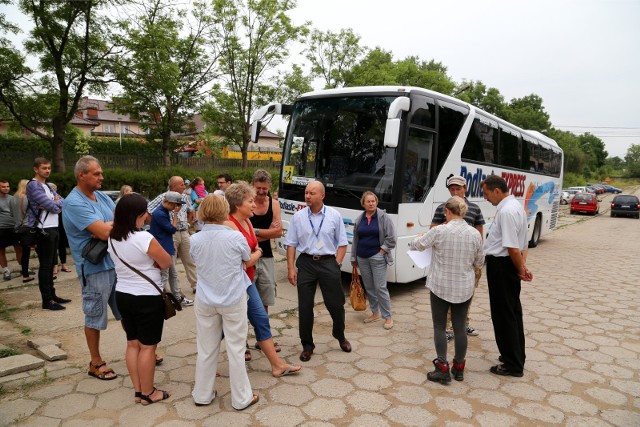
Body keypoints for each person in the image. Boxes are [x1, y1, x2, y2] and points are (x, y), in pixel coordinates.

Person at [190, 194, 259, 410]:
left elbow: (195, 261)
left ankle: (202, 394)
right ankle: (241, 398)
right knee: (236, 348)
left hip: (205, 299)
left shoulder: (195, 239)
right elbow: (246, 258)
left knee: (206, 348)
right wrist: (259, 252)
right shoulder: (235, 237)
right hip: (232, 298)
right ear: (224, 211)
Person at [225, 183, 301, 375]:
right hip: (234, 285)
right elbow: (245, 261)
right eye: (249, 201)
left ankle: (276, 365)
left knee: (260, 319)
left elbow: (263, 242)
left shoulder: (248, 222)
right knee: (230, 326)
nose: (254, 205)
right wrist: (258, 252)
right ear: (237, 204)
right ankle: (226, 367)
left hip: (246, 282)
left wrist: (254, 252)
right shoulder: (228, 225)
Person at [410, 196, 484, 383]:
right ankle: (459, 368)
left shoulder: (439, 231)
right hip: (464, 287)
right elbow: (480, 262)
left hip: (440, 286)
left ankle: (442, 367)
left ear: (448, 212)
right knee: (460, 327)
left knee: (439, 326)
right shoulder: (475, 234)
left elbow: (417, 246)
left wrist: (417, 238)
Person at [108, 193, 173, 405]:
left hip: (123, 295)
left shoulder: (112, 237)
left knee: (132, 344)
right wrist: (153, 263)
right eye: (145, 211)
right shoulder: (144, 238)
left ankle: (138, 391)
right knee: (148, 347)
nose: (147, 214)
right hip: (146, 297)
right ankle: (149, 392)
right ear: (137, 214)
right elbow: (166, 262)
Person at [63, 155, 122, 380]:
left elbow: (120, 221)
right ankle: (95, 362)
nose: (101, 177)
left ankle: (139, 349)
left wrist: (104, 226)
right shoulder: (74, 202)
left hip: (116, 264)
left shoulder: (101, 197)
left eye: (100, 172)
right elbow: (105, 232)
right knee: (94, 315)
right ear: (82, 175)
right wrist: (105, 227)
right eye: (96, 173)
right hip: (94, 268)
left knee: (126, 311)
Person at [284, 180, 351, 362]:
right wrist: (290, 268)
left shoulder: (334, 215)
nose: (307, 196)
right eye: (306, 193)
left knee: (336, 304)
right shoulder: (298, 217)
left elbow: (342, 243)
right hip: (306, 263)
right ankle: (307, 345)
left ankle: (340, 334)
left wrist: (336, 264)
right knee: (305, 306)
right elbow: (290, 244)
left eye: (312, 193)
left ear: (322, 195)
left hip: (328, 262)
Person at [481, 175, 533, 378]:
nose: (485, 198)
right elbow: (524, 243)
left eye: (486, 194)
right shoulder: (514, 207)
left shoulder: (507, 211)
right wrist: (522, 266)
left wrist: (520, 269)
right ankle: (515, 355)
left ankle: (512, 364)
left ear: (496, 191)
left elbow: (512, 247)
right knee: (512, 312)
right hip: (506, 266)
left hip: (502, 267)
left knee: (504, 316)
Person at [430, 174, 485, 340]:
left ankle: (463, 324)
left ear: (465, 189)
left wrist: (478, 261)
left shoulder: (474, 208)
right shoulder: (442, 208)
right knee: (445, 294)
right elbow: (432, 228)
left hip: (469, 262)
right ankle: (446, 329)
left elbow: (480, 234)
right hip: (448, 261)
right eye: (452, 189)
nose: (455, 191)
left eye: (458, 189)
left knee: (467, 295)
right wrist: (451, 223)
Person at [26, 158, 71, 310]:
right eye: (44, 168)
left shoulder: (47, 186)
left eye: (49, 168)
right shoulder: (33, 185)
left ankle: (52, 296)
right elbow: (52, 206)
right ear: (36, 169)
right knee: (45, 266)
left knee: (52, 264)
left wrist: (55, 203)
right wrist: (55, 203)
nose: (47, 170)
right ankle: (47, 301)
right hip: (42, 229)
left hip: (53, 228)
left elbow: (62, 202)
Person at [350, 191, 396, 330]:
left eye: (373, 201)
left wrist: (381, 251)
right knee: (369, 287)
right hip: (362, 257)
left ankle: (388, 317)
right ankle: (375, 313)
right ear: (363, 203)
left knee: (380, 287)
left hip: (377, 257)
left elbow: (391, 238)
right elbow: (355, 240)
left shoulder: (383, 217)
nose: (371, 203)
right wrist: (353, 257)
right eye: (368, 201)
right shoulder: (360, 219)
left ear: (376, 202)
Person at [148, 176, 197, 297]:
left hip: (184, 232)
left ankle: (195, 285)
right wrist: (159, 227)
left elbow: (191, 210)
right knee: (171, 264)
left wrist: (189, 222)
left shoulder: (185, 197)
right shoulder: (163, 197)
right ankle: (174, 291)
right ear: (173, 186)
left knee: (189, 260)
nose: (184, 186)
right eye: (181, 185)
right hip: (171, 233)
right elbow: (148, 210)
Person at [249, 170, 282, 314]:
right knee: (245, 298)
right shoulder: (246, 204)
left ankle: (263, 333)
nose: (261, 192)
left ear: (269, 186)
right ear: (252, 186)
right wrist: (268, 232)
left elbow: (278, 232)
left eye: (264, 188)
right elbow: (240, 236)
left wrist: (253, 232)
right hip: (247, 256)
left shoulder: (274, 204)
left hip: (267, 257)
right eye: (258, 188)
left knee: (265, 300)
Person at [9, 179, 34, 283]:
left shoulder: (13, 198)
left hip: (17, 228)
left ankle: (25, 274)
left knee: (25, 252)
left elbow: (11, 213)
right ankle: (47, 274)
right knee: (38, 250)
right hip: (27, 227)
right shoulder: (27, 198)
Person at [0, 179, 23, 281]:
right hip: (1, 228)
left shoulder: (13, 198)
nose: (6, 188)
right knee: (1, 251)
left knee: (19, 248)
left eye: (7, 186)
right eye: (3, 187)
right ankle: (6, 271)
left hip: (14, 227)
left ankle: (23, 268)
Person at [47, 183, 71, 277]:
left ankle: (64, 265)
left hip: (61, 225)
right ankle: (55, 265)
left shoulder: (61, 199)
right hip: (52, 226)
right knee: (54, 247)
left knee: (62, 246)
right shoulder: (46, 201)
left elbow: (64, 207)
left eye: (53, 189)